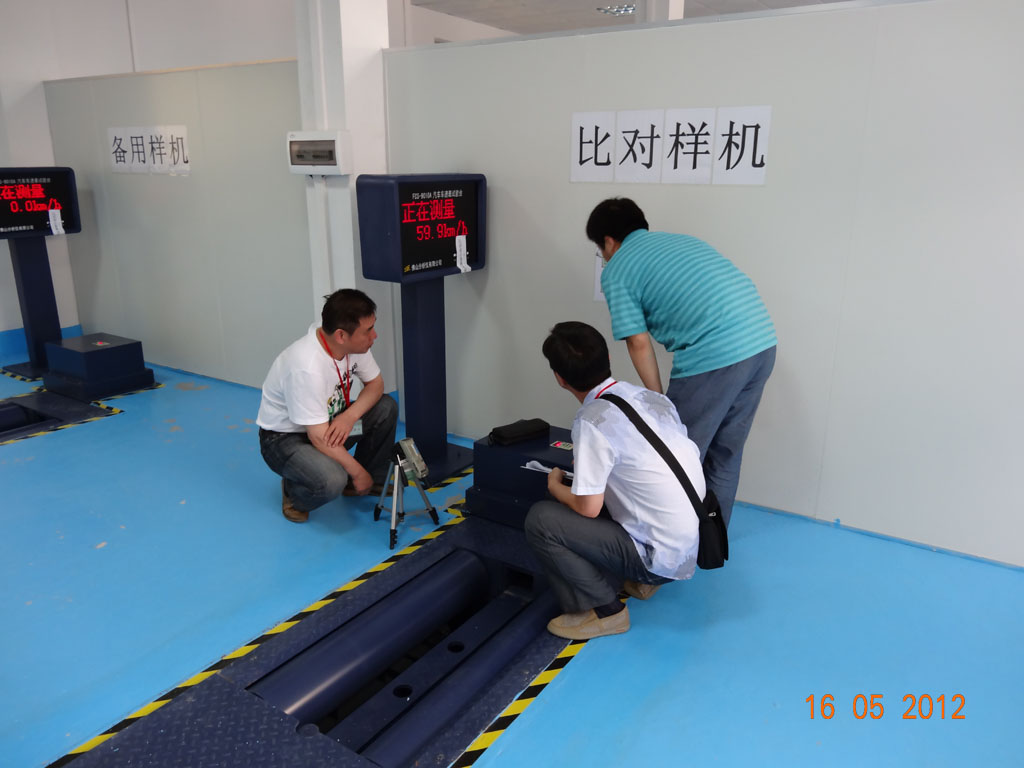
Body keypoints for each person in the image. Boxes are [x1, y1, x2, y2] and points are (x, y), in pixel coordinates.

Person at [587, 197, 776, 528]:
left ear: (608, 241)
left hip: (716, 356)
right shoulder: (682, 242)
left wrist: (658, 400)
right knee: (726, 453)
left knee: (672, 455)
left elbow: (637, 341)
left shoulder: (617, 269)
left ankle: (665, 549)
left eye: (600, 250)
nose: (603, 257)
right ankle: (711, 543)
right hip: (761, 342)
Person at [525, 321, 704, 640]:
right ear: (607, 357)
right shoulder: (650, 397)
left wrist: (555, 486)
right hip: (690, 544)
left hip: (658, 557)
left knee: (542, 520)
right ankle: (644, 582)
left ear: (560, 379)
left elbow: (589, 508)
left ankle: (605, 611)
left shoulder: (592, 420)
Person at [256, 288, 398, 523]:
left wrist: (349, 416)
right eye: (368, 330)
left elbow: (376, 385)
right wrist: (357, 471)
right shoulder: (306, 367)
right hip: (285, 439)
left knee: (385, 408)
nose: (374, 336)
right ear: (341, 335)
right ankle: (294, 492)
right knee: (332, 480)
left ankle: (363, 482)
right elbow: (319, 437)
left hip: (328, 425)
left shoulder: (351, 345)